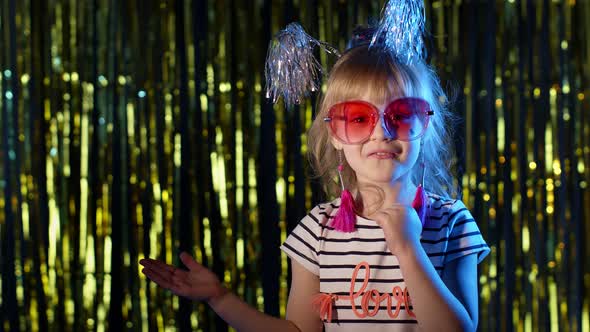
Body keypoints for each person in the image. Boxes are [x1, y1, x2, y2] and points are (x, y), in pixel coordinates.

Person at [140, 3, 490, 331]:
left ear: (424, 126)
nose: (381, 132)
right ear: (335, 133)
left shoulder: (453, 224)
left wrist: (407, 249)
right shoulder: (317, 231)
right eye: (357, 118)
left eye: (401, 115)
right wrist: (221, 298)